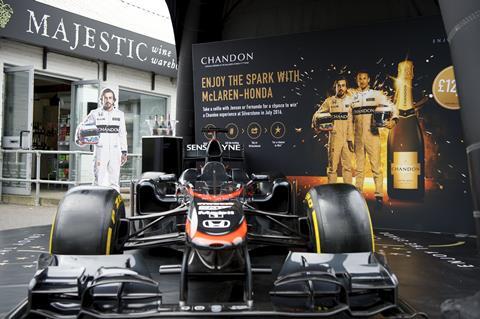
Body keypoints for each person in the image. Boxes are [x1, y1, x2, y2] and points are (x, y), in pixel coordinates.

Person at [351, 71, 398, 205]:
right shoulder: (353, 97)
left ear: (369, 79)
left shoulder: (376, 95)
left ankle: (378, 195)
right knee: (359, 168)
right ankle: (358, 195)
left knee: (376, 167)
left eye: (364, 78)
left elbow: (392, 106)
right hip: (358, 137)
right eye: (359, 78)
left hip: (373, 135)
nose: (362, 80)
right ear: (357, 80)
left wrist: (393, 120)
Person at [75, 88, 127, 193]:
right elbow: (82, 127)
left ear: (114, 100)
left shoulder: (120, 114)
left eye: (110, 98)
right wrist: (79, 140)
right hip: (100, 151)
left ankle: (114, 206)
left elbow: (122, 134)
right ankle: (96, 204)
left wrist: (124, 151)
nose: (108, 100)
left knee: (114, 182)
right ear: (101, 100)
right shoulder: (94, 113)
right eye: (105, 98)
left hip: (115, 151)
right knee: (98, 180)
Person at [312, 78, 354, 184]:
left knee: (348, 168)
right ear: (335, 87)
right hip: (335, 137)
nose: (341, 88)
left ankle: (348, 191)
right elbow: (317, 114)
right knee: (332, 168)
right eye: (338, 86)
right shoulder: (330, 101)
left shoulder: (352, 100)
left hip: (348, 138)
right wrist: (316, 126)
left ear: (346, 87)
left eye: (343, 85)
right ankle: (332, 191)